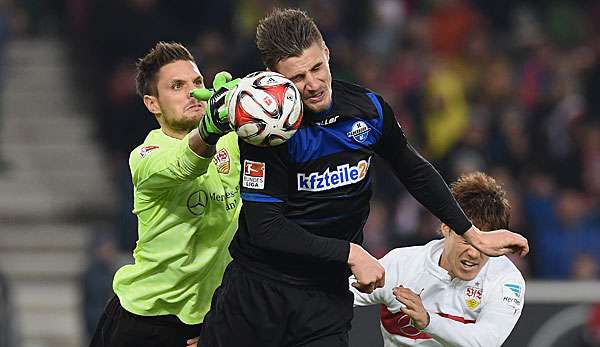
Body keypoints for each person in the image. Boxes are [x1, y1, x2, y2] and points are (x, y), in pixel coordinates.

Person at [198, 8, 528, 347]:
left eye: (316, 68)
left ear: (326, 52)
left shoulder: (367, 109)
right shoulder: (267, 131)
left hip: (324, 298)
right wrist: (351, 254)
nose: (312, 85)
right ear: (274, 76)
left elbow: (413, 169)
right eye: (297, 78)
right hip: (259, 291)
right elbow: (265, 227)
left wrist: (470, 231)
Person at [90, 41, 241, 347]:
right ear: (152, 104)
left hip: (206, 319)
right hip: (143, 321)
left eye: (197, 82)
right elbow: (187, 164)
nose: (192, 92)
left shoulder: (234, 142)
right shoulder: (146, 156)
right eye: (176, 86)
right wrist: (212, 129)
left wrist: (251, 103)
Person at [351, 172, 526, 346]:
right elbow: (333, 296)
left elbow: (486, 341)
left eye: (483, 244)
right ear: (444, 227)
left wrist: (428, 321)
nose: (473, 253)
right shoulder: (401, 265)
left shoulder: (506, 279)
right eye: (466, 239)